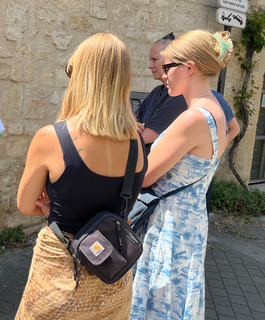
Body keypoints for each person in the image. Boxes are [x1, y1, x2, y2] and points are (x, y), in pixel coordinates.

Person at [15, 33, 147, 320]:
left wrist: (48, 202)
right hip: (113, 279)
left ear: (82, 76)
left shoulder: (52, 137)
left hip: (61, 274)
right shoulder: (136, 140)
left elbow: (25, 205)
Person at [130, 30, 233, 319]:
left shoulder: (192, 117)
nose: (163, 75)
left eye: (167, 67)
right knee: (176, 299)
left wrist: (130, 139)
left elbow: (146, 176)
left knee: (158, 301)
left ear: (189, 68)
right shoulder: (216, 110)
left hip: (169, 224)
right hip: (191, 221)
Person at [136, 32, 188, 153]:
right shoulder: (156, 91)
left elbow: (144, 137)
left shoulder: (180, 97)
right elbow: (134, 121)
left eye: (154, 59)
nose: (149, 66)